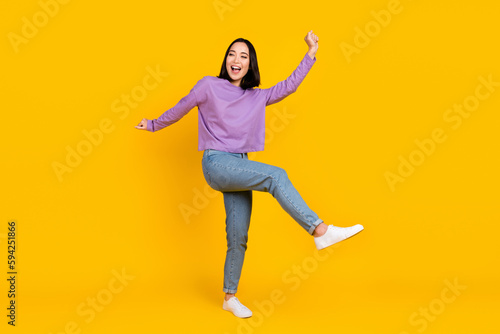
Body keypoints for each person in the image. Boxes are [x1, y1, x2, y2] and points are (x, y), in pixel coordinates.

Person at [135, 30, 364, 318]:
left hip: (238, 165)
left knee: (238, 235)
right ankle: (320, 231)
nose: (236, 59)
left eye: (243, 56)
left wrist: (310, 53)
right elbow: (183, 106)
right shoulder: (209, 86)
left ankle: (229, 297)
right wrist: (154, 124)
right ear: (226, 60)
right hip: (217, 163)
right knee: (275, 176)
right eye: (232, 54)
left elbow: (289, 86)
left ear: (250, 65)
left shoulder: (256, 97)